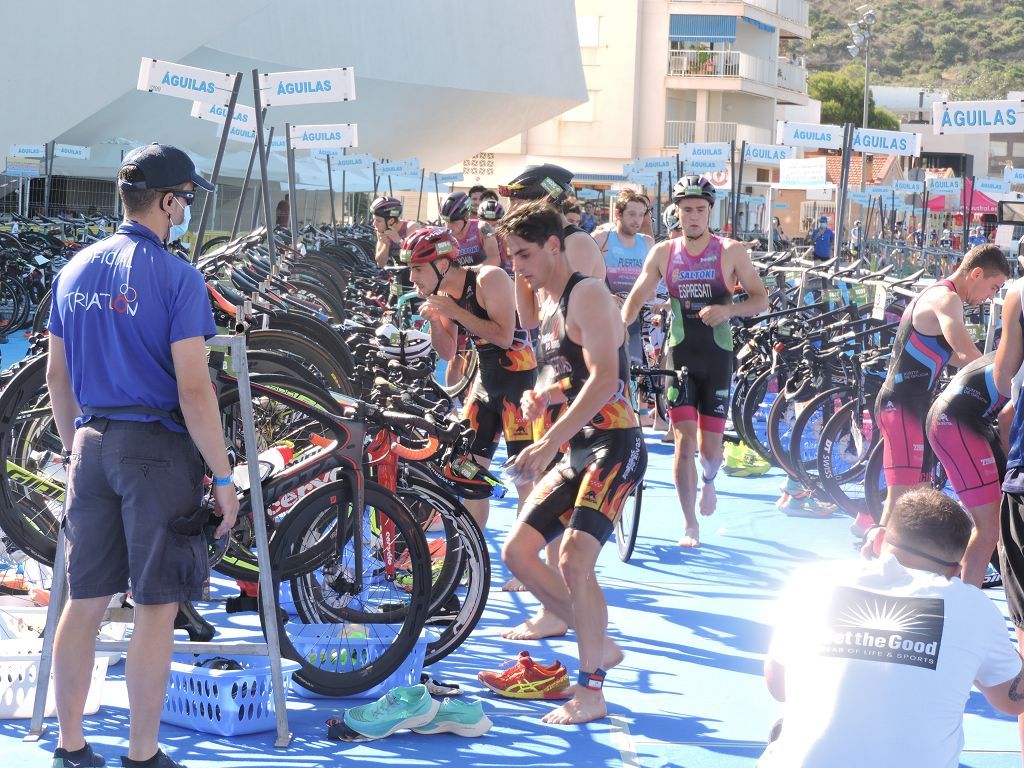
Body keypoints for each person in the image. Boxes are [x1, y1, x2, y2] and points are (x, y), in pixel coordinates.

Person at [46, 144, 239, 768]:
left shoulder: (73, 269)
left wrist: (77, 442)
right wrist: (223, 475)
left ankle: (71, 744)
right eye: (184, 199)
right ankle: (142, 754)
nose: (185, 210)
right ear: (166, 201)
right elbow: (194, 389)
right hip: (154, 449)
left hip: (91, 444)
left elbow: (56, 376)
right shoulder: (178, 278)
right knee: (156, 607)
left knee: (86, 600)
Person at [497, 199, 647, 725]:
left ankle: (592, 689)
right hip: (580, 446)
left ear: (555, 246)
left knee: (574, 562)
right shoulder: (552, 304)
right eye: (511, 255)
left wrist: (545, 441)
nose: (517, 265)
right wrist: (545, 395)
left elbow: (608, 379)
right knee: (517, 553)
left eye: (524, 254)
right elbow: (569, 373)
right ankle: (596, 642)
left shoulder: (587, 294)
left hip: (615, 445)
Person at [760, 487, 1024, 768]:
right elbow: (1013, 702)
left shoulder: (812, 580)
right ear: (955, 570)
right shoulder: (972, 607)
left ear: (879, 541)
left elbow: (778, 686)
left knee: (783, 728)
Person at [622, 176, 768, 547]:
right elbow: (635, 299)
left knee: (710, 450)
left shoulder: (731, 251)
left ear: (709, 212)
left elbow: (760, 300)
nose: (693, 217)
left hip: (718, 358)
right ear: (678, 212)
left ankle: (710, 482)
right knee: (684, 445)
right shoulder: (662, 253)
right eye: (687, 210)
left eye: (700, 210)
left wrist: (727, 310)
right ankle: (690, 524)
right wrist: (615, 334)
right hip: (680, 356)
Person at [861, 244, 1009, 540]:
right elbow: (968, 355)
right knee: (901, 502)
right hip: (902, 408)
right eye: (994, 287)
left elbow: (946, 355)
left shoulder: (935, 293)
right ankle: (877, 565)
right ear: (976, 273)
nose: (991, 296)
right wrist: (1005, 376)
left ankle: (895, 560)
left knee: (917, 502)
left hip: (911, 407)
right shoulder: (947, 299)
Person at [402, 227, 536, 533]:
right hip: (485, 384)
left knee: (523, 477)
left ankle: (522, 560)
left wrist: (455, 312)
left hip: (519, 384)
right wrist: (438, 320)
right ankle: (472, 557)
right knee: (469, 473)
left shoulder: (490, 278)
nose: (413, 279)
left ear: (444, 264)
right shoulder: (445, 295)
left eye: (418, 269)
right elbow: (448, 352)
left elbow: (504, 336)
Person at [925, 351, 1009, 587]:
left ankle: (1010, 589)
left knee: (1005, 514)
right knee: (989, 528)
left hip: (970, 420)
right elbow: (1007, 418)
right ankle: (965, 600)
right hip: (955, 422)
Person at [593, 188, 653, 364]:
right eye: (632, 214)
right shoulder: (602, 237)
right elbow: (581, 273)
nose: (637, 220)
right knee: (605, 367)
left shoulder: (647, 242)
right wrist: (603, 294)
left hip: (634, 319)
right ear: (618, 214)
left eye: (641, 215)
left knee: (633, 369)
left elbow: (655, 279)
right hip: (603, 316)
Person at [441, 190, 499, 268]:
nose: (448, 227)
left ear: (466, 217)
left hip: (483, 277)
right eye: (445, 221)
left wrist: (469, 272)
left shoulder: (483, 227)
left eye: (453, 222)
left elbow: (495, 259)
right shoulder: (444, 237)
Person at [371, 195, 421, 268]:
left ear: (391, 221)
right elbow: (380, 264)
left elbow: (414, 258)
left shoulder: (411, 228)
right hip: (397, 274)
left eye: (378, 221)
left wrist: (399, 241)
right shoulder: (382, 231)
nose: (374, 224)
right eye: (373, 219)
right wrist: (386, 245)